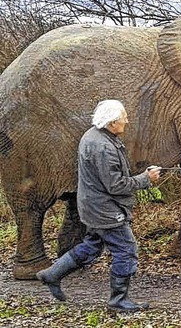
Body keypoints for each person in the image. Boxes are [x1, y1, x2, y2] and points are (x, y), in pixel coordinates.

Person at [36, 100, 161, 312]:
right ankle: (118, 301)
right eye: (123, 118)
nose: (127, 121)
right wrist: (145, 179)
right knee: (126, 250)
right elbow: (116, 185)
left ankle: (52, 274)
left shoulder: (95, 136)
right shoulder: (103, 146)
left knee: (92, 246)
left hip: (94, 207)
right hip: (105, 210)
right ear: (112, 123)